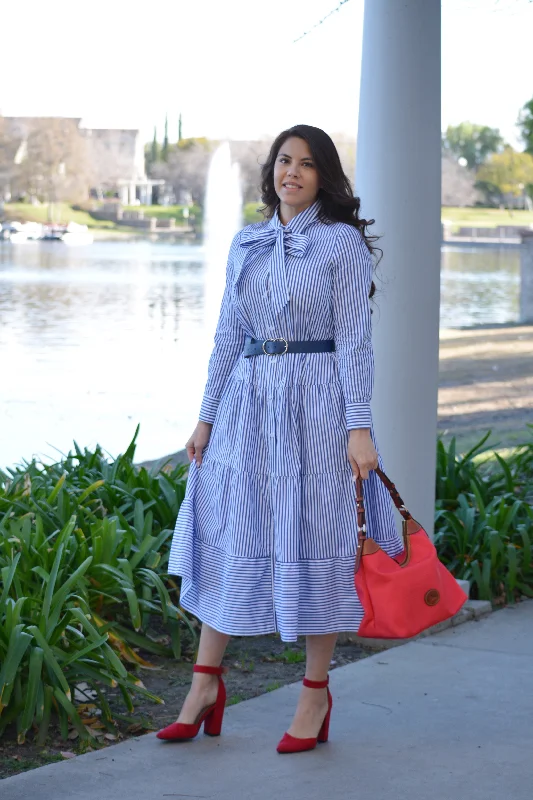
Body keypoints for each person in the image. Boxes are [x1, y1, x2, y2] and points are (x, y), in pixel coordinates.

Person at [157, 124, 405, 753]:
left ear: (324, 176)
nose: (291, 172)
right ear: (271, 170)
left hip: (316, 408)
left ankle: (314, 693)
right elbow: (226, 338)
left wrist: (359, 428)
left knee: (317, 532)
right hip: (247, 404)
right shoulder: (247, 243)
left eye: (307, 164)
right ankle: (205, 686)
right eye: (283, 161)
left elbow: (354, 343)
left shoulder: (341, 246)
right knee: (233, 532)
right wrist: (206, 416)